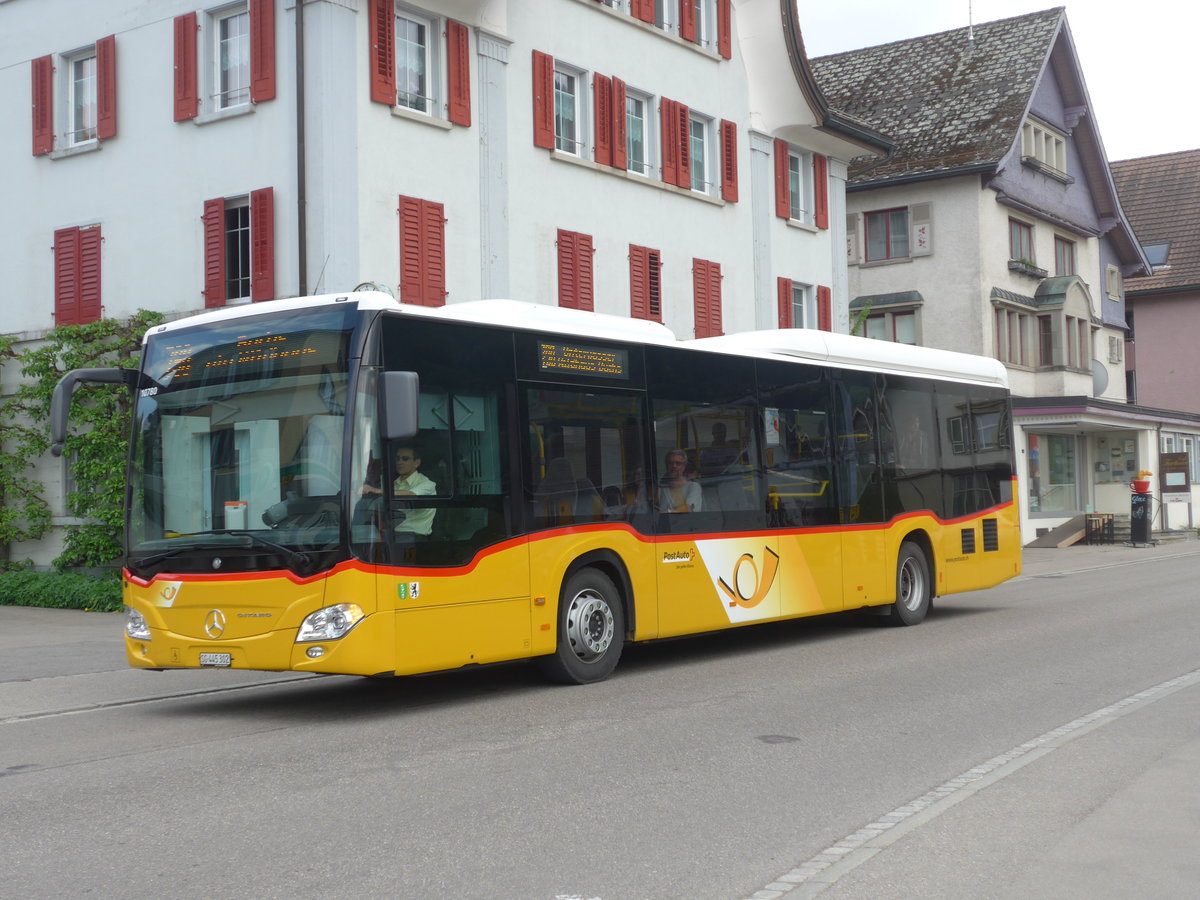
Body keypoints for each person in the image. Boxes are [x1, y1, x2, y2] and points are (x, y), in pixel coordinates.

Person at [363, 444, 437, 535]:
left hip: (415, 536)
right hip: (392, 534)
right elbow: (377, 506)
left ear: (416, 463)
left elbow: (411, 494)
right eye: (398, 458)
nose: (399, 462)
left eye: (405, 459)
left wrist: (377, 490)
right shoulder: (395, 483)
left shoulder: (427, 484)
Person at [658, 448, 702, 513]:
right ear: (666, 465)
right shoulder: (660, 487)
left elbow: (688, 508)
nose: (674, 466)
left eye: (678, 463)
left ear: (684, 466)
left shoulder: (693, 486)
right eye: (670, 463)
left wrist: (668, 512)